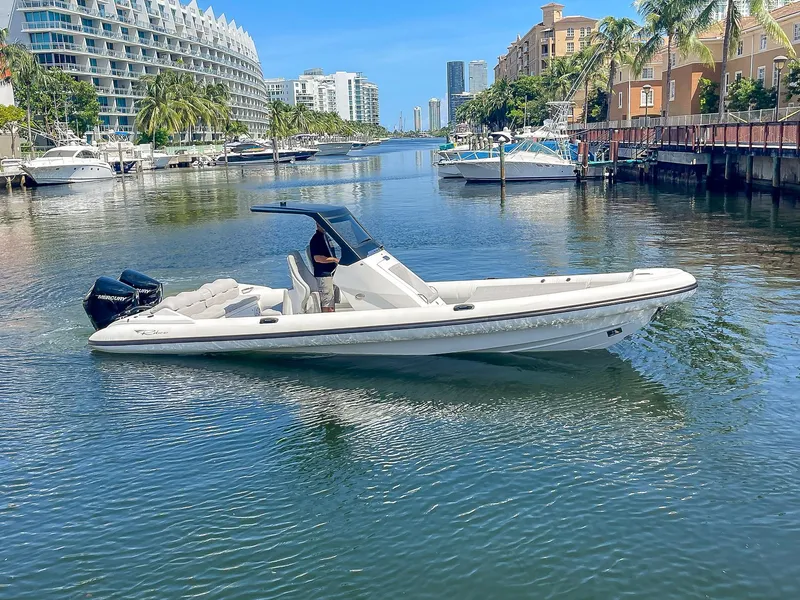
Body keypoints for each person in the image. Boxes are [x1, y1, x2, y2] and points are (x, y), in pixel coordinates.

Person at [309, 223, 339, 312]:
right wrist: (334, 260)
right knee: (327, 304)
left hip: (331, 273)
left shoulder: (325, 237)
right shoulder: (316, 240)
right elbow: (317, 258)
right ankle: (328, 320)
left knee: (331, 302)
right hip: (324, 275)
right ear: (318, 224)